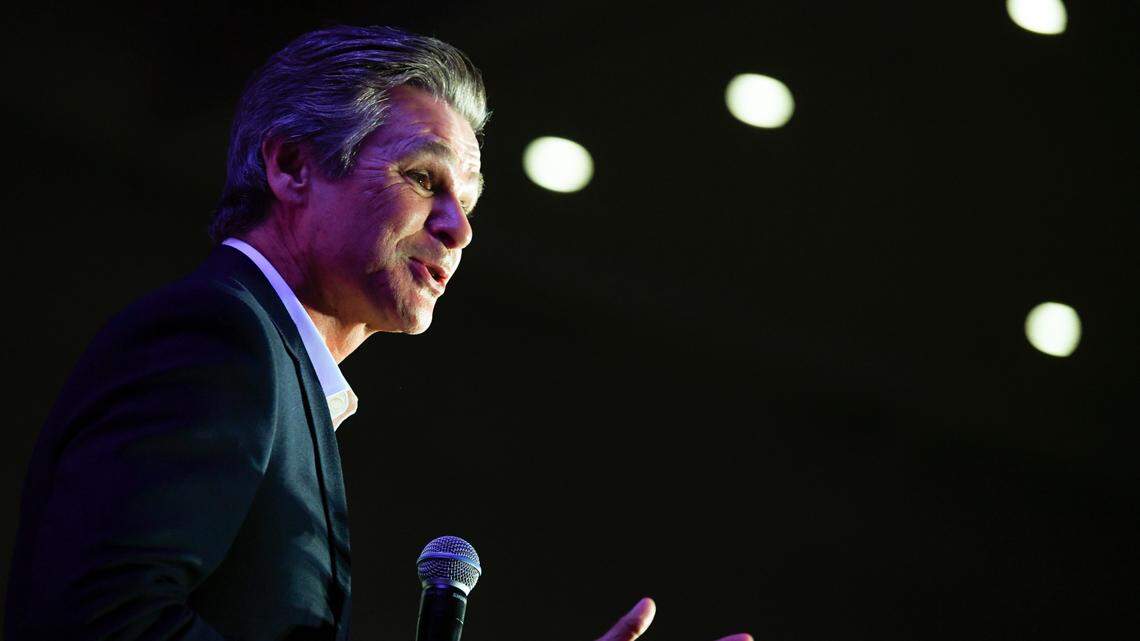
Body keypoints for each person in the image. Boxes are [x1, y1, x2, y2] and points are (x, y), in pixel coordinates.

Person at [4, 24, 753, 641]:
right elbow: (100, 620)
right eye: (425, 179)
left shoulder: (275, 371)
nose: (458, 229)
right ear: (293, 165)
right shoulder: (219, 336)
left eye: (470, 201)